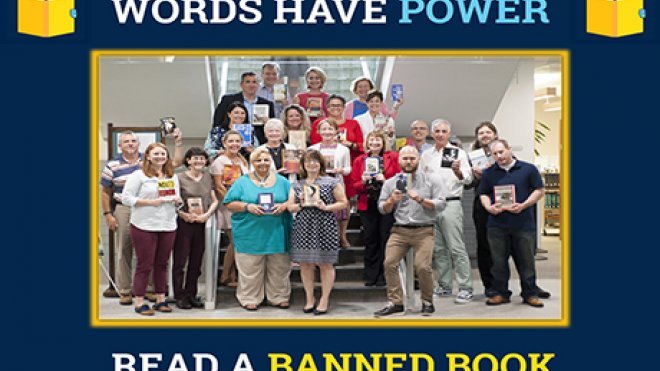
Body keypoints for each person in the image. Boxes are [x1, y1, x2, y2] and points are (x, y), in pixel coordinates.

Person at [100, 129, 184, 306]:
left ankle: (155, 292)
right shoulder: (119, 167)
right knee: (127, 251)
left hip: (165, 221)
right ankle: (127, 291)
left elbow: (175, 167)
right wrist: (108, 213)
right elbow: (109, 192)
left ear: (139, 144)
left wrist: (177, 201)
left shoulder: (170, 175)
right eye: (126, 141)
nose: (130, 144)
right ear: (119, 144)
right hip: (130, 211)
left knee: (160, 261)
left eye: (133, 141)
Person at [373, 146, 446, 317]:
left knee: (422, 266)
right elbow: (382, 209)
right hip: (400, 230)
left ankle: (427, 302)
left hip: (424, 229)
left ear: (418, 160)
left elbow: (441, 204)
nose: (409, 161)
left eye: (412, 158)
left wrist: (421, 199)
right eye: (405, 158)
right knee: (389, 263)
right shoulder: (391, 182)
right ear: (399, 161)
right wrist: (392, 200)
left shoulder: (432, 179)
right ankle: (396, 302)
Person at [478, 139, 546, 308]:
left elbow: (539, 190)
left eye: (501, 152)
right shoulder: (489, 173)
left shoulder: (528, 169)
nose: (499, 156)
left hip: (523, 223)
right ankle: (501, 293)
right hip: (497, 225)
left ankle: (530, 294)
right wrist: (489, 207)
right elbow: (483, 193)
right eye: (495, 154)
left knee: (527, 261)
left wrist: (524, 205)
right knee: (498, 262)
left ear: (509, 149)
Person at [223, 148, 292, 311]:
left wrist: (283, 206)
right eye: (258, 160)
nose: (263, 163)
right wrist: (247, 206)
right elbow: (229, 203)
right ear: (252, 163)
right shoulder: (241, 182)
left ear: (272, 162)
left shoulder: (283, 182)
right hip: (250, 233)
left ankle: (279, 296)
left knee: (279, 267)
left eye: (266, 160)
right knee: (250, 268)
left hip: (277, 232)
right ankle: (250, 297)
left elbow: (293, 202)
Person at [121, 142, 182, 316]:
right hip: (144, 225)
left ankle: (160, 299)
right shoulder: (138, 175)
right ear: (147, 156)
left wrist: (178, 201)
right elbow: (126, 198)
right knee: (144, 264)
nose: (160, 157)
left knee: (162, 264)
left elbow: (176, 199)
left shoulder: (171, 176)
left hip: (168, 224)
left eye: (163, 154)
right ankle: (140, 301)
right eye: (156, 154)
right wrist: (149, 202)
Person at [420, 119, 474, 304]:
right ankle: (444, 285)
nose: (440, 134)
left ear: (449, 133)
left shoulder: (458, 153)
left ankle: (465, 287)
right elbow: (421, 179)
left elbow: (468, 179)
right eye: (437, 131)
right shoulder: (426, 155)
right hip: (431, 205)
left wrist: (458, 172)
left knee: (456, 247)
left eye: (444, 131)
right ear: (432, 133)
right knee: (439, 249)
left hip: (451, 203)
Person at [287, 150, 348, 315]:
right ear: (303, 165)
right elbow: (289, 206)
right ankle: (309, 298)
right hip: (303, 225)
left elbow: (343, 203)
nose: (311, 164)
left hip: (325, 224)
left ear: (321, 163)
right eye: (308, 161)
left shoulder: (332, 182)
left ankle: (324, 299)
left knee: (325, 264)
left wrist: (326, 207)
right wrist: (299, 205)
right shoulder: (297, 184)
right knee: (305, 264)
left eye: (315, 161)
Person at [350, 131, 400, 286]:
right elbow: (354, 185)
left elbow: (399, 179)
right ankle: (371, 275)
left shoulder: (393, 157)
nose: (375, 143)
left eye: (378, 140)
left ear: (383, 142)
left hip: (387, 202)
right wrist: (363, 181)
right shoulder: (360, 160)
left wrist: (385, 180)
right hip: (368, 203)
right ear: (367, 143)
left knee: (386, 238)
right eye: (372, 140)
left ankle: (385, 276)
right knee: (370, 239)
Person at [172, 147, 219, 309]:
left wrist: (207, 215)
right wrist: (183, 214)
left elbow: (214, 200)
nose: (199, 161)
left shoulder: (208, 177)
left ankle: (191, 293)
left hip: (201, 223)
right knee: (180, 261)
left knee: (196, 261)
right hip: (184, 223)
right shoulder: (179, 178)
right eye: (195, 158)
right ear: (188, 161)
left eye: (202, 158)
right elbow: (173, 200)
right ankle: (179, 295)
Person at [209, 130, 250, 288]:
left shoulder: (242, 160)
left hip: (241, 204)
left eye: (237, 141)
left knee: (237, 242)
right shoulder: (220, 162)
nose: (234, 144)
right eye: (231, 141)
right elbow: (219, 186)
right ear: (224, 143)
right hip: (228, 206)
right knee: (235, 241)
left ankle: (233, 275)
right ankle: (225, 275)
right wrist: (231, 202)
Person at [467, 121, 499, 297]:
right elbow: (466, 184)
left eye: (488, 132)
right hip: (481, 203)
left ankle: (501, 282)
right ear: (477, 137)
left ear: (494, 134)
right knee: (484, 244)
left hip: (502, 203)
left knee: (500, 244)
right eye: (481, 133)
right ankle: (489, 285)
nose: (485, 135)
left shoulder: (502, 152)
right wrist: (475, 175)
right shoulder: (471, 156)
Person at [309, 119, 352, 247]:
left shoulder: (343, 149)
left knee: (342, 209)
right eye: (324, 129)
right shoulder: (312, 149)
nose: (327, 132)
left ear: (336, 131)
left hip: (336, 181)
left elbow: (349, 169)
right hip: (318, 182)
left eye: (330, 129)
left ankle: (342, 236)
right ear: (318, 131)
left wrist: (341, 170)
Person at [212, 71, 275, 144]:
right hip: (232, 141)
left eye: (254, 82)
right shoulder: (228, 100)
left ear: (258, 85)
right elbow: (218, 120)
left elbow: (273, 127)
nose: (251, 85)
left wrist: (269, 122)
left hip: (258, 143)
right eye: (248, 82)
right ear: (241, 85)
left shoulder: (267, 104)